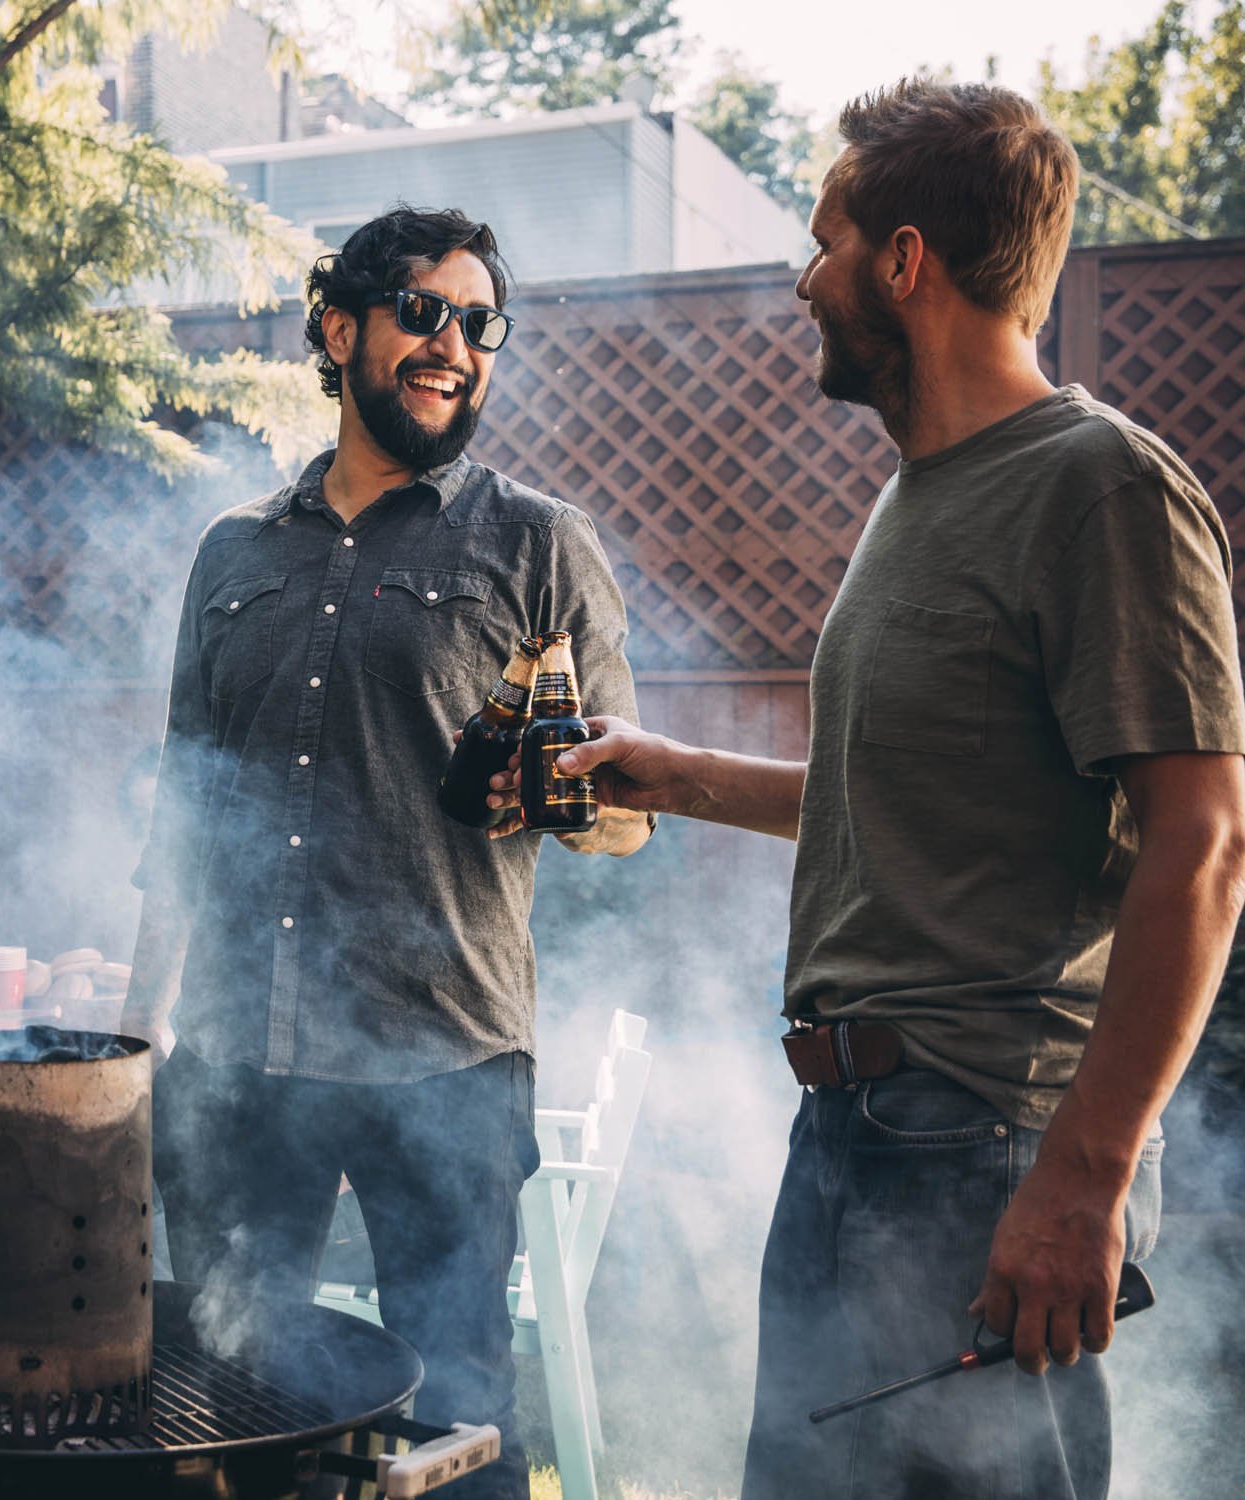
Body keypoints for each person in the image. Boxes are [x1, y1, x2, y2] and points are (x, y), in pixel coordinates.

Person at [541, 81, 1245, 1499]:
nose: (805, 281)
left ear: (903, 261)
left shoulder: (1097, 486)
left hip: (982, 1155)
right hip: (855, 1140)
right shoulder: (919, 494)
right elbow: (908, 798)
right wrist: (664, 770)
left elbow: (1205, 844)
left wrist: (1081, 1180)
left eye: (823, 242)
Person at [121, 204, 651, 1500]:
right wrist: (130, 1048)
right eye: (423, 311)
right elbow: (183, 818)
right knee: (223, 1412)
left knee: (453, 1420)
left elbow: (629, 815)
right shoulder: (231, 553)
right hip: (239, 1060)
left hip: (444, 1063)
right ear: (336, 328)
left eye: (479, 325)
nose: (453, 345)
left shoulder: (535, 545)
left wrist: (565, 792)